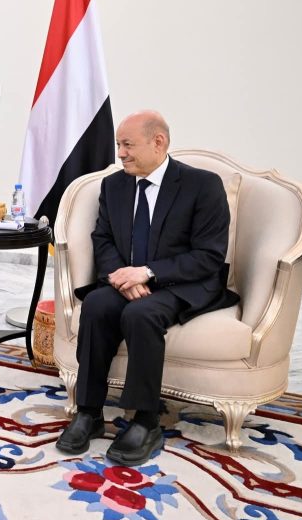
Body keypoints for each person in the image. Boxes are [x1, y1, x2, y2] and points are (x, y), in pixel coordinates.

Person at [55, 111, 239, 466]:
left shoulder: (203, 185)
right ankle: (89, 412)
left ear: (159, 143)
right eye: (118, 145)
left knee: (141, 314)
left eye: (128, 145)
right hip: (128, 278)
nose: (120, 154)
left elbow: (209, 256)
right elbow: (103, 240)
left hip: (182, 282)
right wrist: (121, 277)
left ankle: (145, 420)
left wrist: (147, 273)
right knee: (96, 305)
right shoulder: (114, 185)